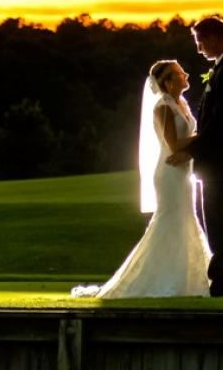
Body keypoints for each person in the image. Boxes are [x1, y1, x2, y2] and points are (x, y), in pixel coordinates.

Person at [71, 60, 211, 299]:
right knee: (170, 222)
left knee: (186, 220)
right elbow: (174, 144)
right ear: (167, 82)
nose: (185, 74)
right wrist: (205, 137)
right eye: (179, 73)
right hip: (169, 174)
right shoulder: (163, 107)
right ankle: (162, 279)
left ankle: (188, 278)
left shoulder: (182, 103)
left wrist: (198, 142)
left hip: (184, 172)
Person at [167, 17, 223, 296]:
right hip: (219, 161)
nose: (199, 49)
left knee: (218, 220)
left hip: (220, 162)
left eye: (200, 42)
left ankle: (221, 281)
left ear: (214, 37)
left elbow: (219, 123)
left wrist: (191, 150)